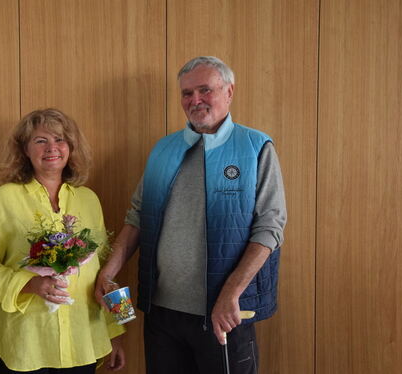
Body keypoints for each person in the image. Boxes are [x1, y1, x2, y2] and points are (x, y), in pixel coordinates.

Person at [95, 56, 287, 373]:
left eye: (204, 90)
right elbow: (137, 216)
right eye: (187, 93)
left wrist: (231, 294)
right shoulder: (163, 149)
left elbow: (270, 229)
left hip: (224, 312)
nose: (194, 100)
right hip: (161, 314)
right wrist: (108, 271)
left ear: (229, 91)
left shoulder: (255, 147)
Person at [0, 108, 126, 373]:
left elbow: (100, 274)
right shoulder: (5, 198)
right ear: (25, 150)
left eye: (60, 140)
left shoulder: (88, 199)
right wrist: (29, 284)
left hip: (82, 342)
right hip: (26, 345)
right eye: (40, 140)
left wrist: (116, 331)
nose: (52, 148)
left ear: (71, 147)